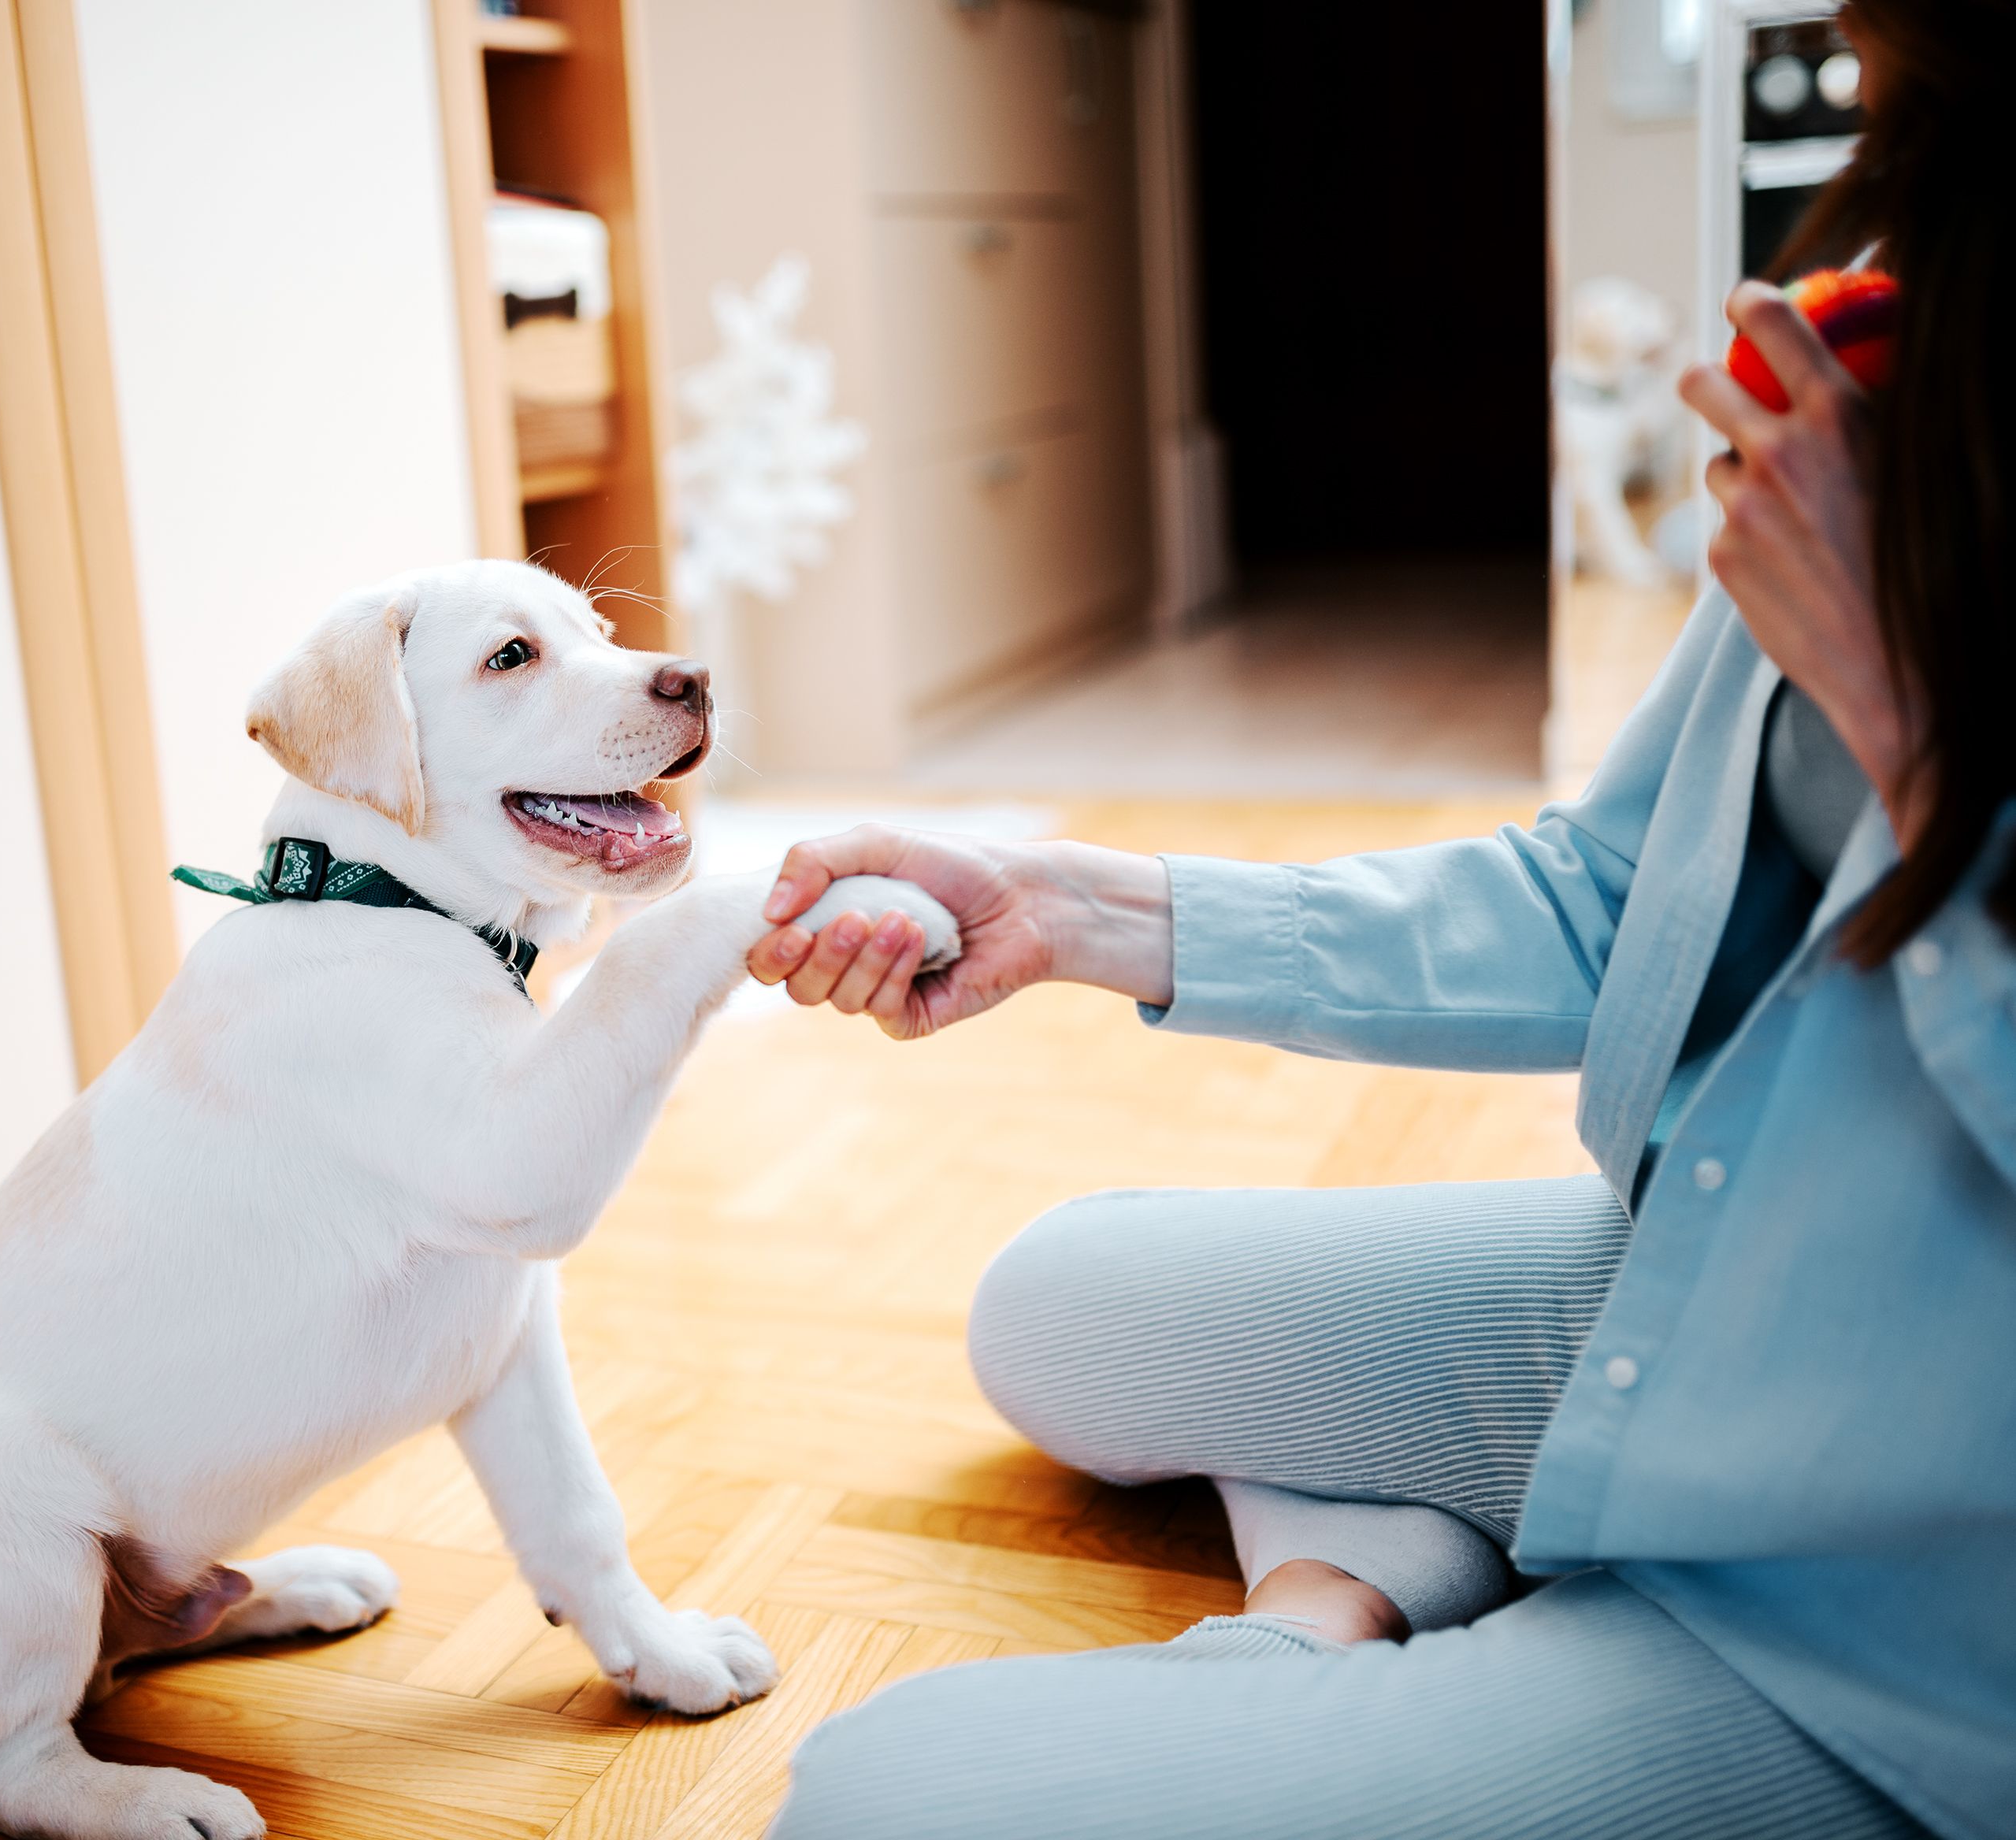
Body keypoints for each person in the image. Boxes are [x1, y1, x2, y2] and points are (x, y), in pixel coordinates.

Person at [744, 3, 2014, 1834]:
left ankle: (1367, 1633)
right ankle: (1378, 1578)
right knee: (1059, 1305)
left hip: (1907, 1591)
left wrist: (1911, 729)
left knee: (878, 1801)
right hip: (1719, 1284)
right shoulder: (1893, 364)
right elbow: (1609, 891)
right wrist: (1071, 906)